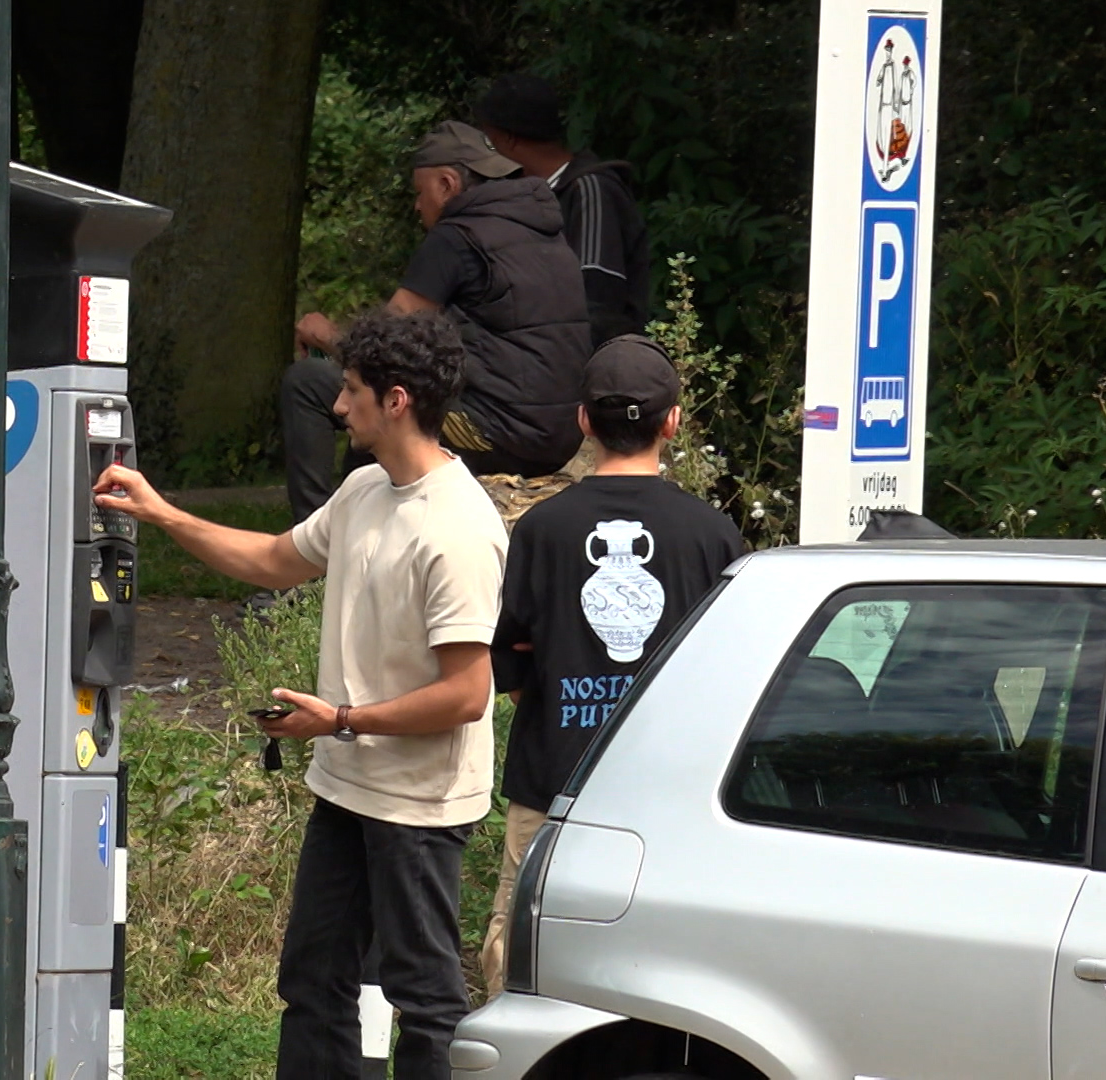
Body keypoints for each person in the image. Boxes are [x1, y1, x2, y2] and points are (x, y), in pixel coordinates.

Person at [95, 311, 508, 1077]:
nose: (337, 406)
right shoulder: (362, 492)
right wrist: (158, 512)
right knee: (313, 980)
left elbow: (466, 695)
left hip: (419, 804)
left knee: (425, 999)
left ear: (396, 400)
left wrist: (342, 720)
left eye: (350, 391)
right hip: (347, 786)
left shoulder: (457, 529)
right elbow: (276, 560)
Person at [480, 335, 744, 997]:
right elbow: (730, 677)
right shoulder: (713, 535)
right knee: (667, 978)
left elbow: (508, 663)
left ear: (582, 423)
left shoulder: (541, 530)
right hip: (673, 801)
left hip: (551, 788)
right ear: (673, 422)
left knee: (521, 962)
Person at [283, 120, 592, 524]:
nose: (416, 205)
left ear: (447, 184)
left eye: (419, 192)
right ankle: (355, 536)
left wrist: (323, 334)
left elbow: (381, 347)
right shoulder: (545, 233)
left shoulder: (459, 236)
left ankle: (316, 556)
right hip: (563, 435)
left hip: (497, 432)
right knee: (387, 396)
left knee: (314, 384)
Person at [474, 73, 652, 347]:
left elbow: (597, 302)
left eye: (489, 140)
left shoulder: (590, 190)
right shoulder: (532, 195)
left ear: (508, 140)